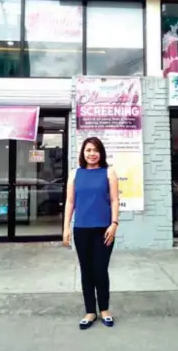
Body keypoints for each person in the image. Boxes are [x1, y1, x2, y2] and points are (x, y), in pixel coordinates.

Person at [63, 137, 119, 330]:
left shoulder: (108, 172)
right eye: (88, 150)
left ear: (101, 152)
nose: (92, 153)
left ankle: (104, 309)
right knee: (86, 271)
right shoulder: (75, 174)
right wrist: (66, 228)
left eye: (95, 150)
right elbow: (70, 202)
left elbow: (114, 200)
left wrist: (114, 224)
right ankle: (90, 311)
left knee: (100, 270)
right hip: (81, 230)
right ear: (83, 153)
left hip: (104, 230)